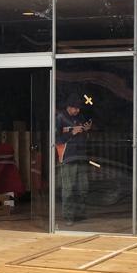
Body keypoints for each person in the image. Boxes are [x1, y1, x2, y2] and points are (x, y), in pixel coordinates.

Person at [56, 95, 92, 226]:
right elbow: (56, 139)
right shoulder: (60, 118)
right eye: (76, 108)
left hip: (81, 156)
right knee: (69, 189)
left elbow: (82, 135)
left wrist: (86, 130)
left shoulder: (79, 117)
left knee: (83, 188)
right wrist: (72, 132)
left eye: (79, 108)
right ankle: (68, 216)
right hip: (68, 157)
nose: (78, 110)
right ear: (69, 107)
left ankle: (80, 213)